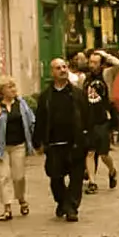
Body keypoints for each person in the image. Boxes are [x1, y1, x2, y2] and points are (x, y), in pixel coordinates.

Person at [33, 58, 89, 222]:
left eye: (64, 67)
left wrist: (87, 139)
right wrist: (38, 142)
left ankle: (71, 208)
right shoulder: (46, 97)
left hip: (75, 143)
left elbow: (86, 117)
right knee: (55, 178)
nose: (63, 70)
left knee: (76, 178)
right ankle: (62, 201)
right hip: (55, 144)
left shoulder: (77, 94)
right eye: (58, 68)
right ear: (52, 72)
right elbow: (41, 119)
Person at [0, 76, 36, 221]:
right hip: (1, 148)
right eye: (9, 87)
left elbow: (31, 121)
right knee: (4, 177)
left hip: (19, 146)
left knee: (19, 177)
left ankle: (22, 199)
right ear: (2, 90)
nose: (13, 89)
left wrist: (36, 139)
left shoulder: (21, 103)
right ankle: (7, 208)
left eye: (14, 86)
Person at [83, 50, 119, 194]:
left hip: (103, 119)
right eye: (90, 62)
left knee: (103, 154)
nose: (92, 65)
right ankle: (92, 182)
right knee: (90, 152)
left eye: (95, 62)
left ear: (101, 64)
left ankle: (112, 171)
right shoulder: (85, 78)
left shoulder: (107, 75)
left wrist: (104, 55)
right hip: (89, 120)